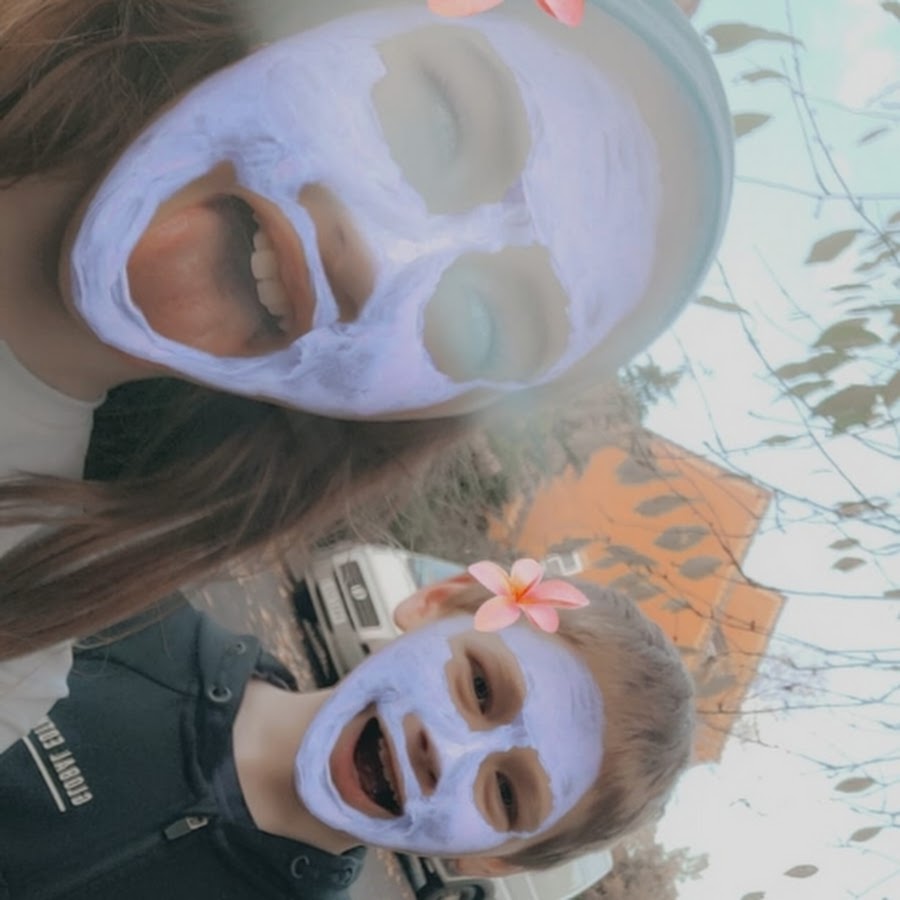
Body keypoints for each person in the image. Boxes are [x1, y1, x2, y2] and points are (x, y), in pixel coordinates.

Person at [0, 0, 732, 748]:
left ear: (402, 417)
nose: (383, 262)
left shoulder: (18, 647)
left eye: (486, 325)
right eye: (440, 123)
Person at [0, 572, 694, 898]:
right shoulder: (118, 615)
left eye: (507, 795)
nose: (450, 752)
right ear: (438, 603)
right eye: (481, 687)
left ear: (493, 861)